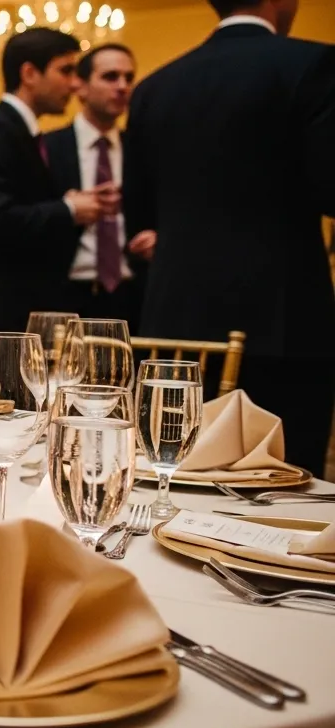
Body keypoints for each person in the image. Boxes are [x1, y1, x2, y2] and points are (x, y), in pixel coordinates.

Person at [124, 0, 335, 473]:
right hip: (282, 319)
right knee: (282, 485)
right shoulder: (313, 64)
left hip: (176, 326)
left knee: (176, 474)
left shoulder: (155, 86)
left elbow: (138, 218)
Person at [0, 28, 107, 349]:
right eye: (65, 70)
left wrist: (65, 203)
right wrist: (69, 210)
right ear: (29, 73)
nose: (75, 84)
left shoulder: (19, 133)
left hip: (12, 316)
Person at [42, 43, 144, 328]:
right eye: (110, 77)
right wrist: (70, 207)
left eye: (129, 77)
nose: (122, 86)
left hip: (130, 294)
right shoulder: (47, 147)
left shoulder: (140, 148)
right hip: (65, 295)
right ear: (81, 86)